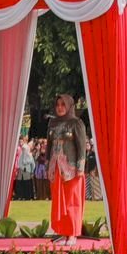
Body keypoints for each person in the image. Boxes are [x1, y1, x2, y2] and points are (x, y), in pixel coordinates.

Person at [46, 94, 89, 243]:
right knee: (59, 201)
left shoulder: (76, 123)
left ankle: (72, 233)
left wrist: (80, 168)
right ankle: (63, 232)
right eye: (58, 105)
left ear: (69, 106)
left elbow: (82, 147)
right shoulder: (52, 123)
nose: (59, 108)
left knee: (72, 200)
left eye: (63, 105)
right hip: (55, 168)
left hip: (71, 169)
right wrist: (47, 166)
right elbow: (48, 147)